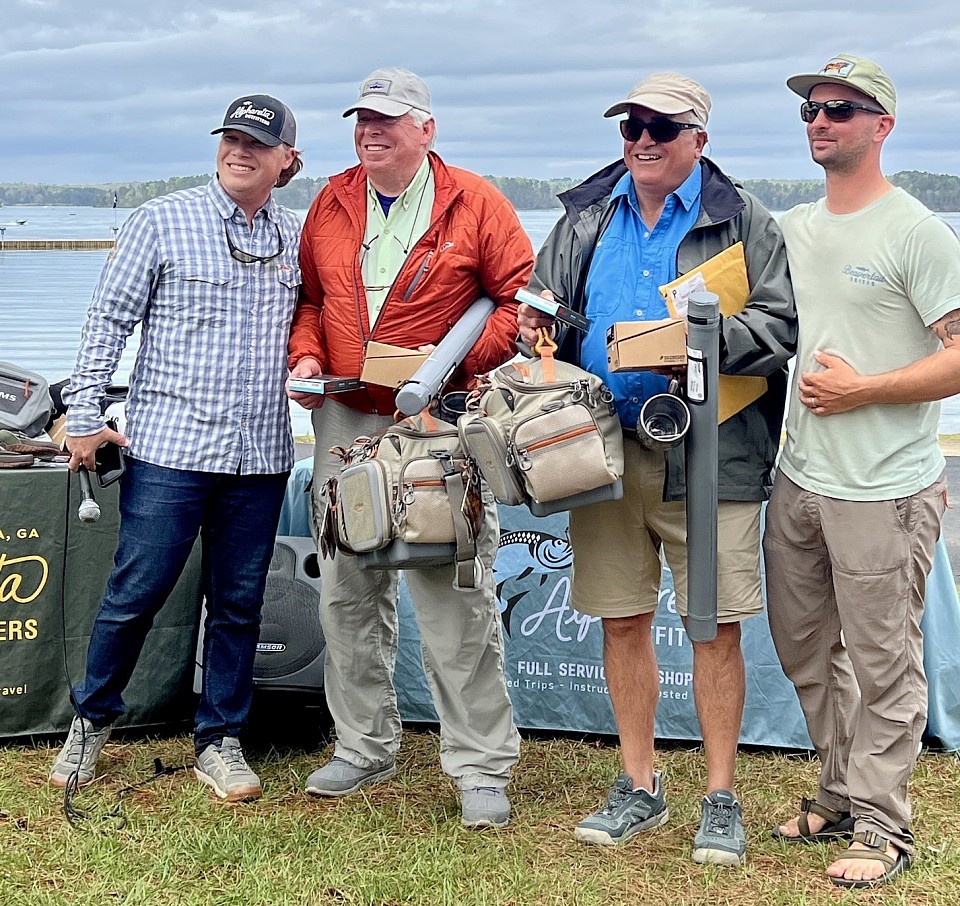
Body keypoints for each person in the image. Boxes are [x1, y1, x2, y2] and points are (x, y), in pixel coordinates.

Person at [517, 72, 795, 864]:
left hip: (713, 453)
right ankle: (640, 785)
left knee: (713, 628)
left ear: (699, 141)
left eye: (661, 128)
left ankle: (720, 797)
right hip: (598, 450)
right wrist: (537, 341)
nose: (642, 139)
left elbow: (779, 327)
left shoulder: (744, 220)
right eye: (631, 126)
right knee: (622, 617)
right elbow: (543, 314)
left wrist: (693, 346)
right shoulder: (584, 216)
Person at [287, 68, 531, 827]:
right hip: (344, 421)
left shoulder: (479, 202)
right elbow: (312, 301)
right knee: (346, 587)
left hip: (439, 424)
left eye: (389, 120)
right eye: (363, 119)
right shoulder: (328, 201)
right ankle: (364, 745)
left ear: (427, 129)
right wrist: (303, 357)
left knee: (451, 590)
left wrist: (445, 365)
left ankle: (480, 765)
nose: (372, 132)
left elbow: (521, 305)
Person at [49, 94, 304, 802]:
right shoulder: (161, 219)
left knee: (240, 604)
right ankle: (91, 722)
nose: (239, 150)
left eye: (258, 141)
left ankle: (220, 741)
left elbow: (311, 328)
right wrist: (82, 416)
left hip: (261, 456)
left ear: (287, 160)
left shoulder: (297, 236)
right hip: (169, 450)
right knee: (136, 593)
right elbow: (107, 321)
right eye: (230, 137)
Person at [764, 53, 960, 888]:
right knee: (806, 649)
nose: (821, 120)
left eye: (841, 109)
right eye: (812, 108)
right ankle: (840, 793)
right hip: (798, 480)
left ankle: (884, 829)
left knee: (884, 663)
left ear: (882, 126)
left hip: (885, 489)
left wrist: (866, 390)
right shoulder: (793, 229)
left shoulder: (917, 231)